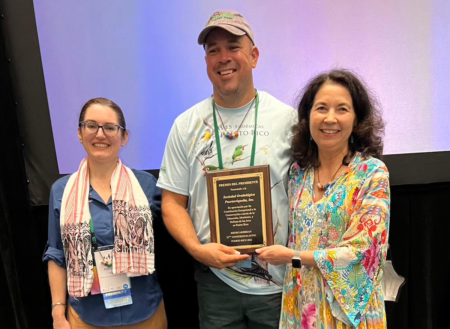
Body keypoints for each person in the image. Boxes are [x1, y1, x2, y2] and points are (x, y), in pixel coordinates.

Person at [157, 10, 296, 329]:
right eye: (213, 50)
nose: (223, 58)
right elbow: (172, 203)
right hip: (216, 283)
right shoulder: (186, 126)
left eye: (233, 46)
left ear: (254, 55)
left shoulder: (288, 121)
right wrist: (197, 250)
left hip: (277, 282)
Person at [256, 69, 389, 328]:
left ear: (356, 119)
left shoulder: (371, 173)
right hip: (304, 309)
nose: (330, 118)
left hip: (349, 315)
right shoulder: (297, 175)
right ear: (307, 117)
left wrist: (292, 256)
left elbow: (361, 252)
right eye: (321, 108)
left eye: (342, 109)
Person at [43, 98, 167, 329]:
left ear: (124, 137)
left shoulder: (147, 185)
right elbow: (57, 255)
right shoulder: (61, 191)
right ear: (80, 133)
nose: (100, 134)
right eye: (91, 125)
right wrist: (58, 313)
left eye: (110, 127)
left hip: (145, 313)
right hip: (86, 318)